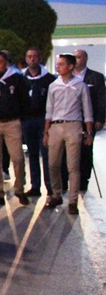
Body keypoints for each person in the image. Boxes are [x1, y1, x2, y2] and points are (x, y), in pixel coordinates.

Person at [43, 53, 93, 215]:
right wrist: (46, 131)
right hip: (56, 126)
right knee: (53, 163)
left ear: (71, 66)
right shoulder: (53, 85)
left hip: (73, 125)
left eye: (62, 64)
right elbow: (49, 110)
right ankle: (56, 193)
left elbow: (87, 109)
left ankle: (72, 200)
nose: (58, 66)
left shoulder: (80, 85)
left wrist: (89, 131)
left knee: (73, 165)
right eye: (58, 64)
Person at [0, 50, 30, 206]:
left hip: (11, 122)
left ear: (7, 62)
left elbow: (24, 100)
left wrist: (20, 118)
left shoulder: (16, 78)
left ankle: (19, 188)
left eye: (0, 62)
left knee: (17, 157)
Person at [21, 48, 56, 196]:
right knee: (32, 154)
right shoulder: (21, 78)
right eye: (29, 56)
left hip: (44, 120)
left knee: (46, 154)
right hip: (27, 120)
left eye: (35, 56)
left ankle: (50, 186)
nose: (32, 59)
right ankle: (35, 186)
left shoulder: (49, 79)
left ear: (40, 58)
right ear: (26, 59)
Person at [73, 49, 106, 192]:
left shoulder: (96, 77)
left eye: (79, 57)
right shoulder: (67, 76)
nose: (76, 60)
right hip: (71, 120)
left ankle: (83, 181)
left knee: (86, 151)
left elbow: (101, 99)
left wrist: (100, 119)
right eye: (74, 57)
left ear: (85, 59)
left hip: (88, 120)